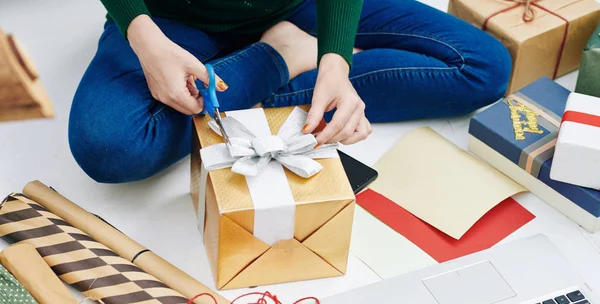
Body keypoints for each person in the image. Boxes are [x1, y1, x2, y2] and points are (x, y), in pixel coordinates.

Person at [69, 0, 512, 184]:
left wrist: (336, 60)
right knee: (110, 147)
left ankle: (289, 57)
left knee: (481, 67)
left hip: (298, 7)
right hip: (169, 21)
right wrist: (144, 39)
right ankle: (282, 52)